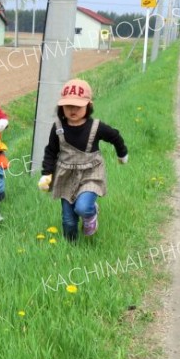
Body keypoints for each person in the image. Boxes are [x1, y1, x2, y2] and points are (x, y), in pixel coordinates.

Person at [38, 78, 128, 241]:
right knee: (68, 221)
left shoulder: (96, 127)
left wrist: (122, 154)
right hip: (66, 175)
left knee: (83, 207)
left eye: (78, 106)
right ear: (61, 107)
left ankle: (91, 212)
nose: (73, 110)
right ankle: (71, 248)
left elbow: (115, 136)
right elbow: (51, 151)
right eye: (68, 106)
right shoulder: (58, 128)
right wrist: (46, 173)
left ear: (88, 105)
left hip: (90, 173)